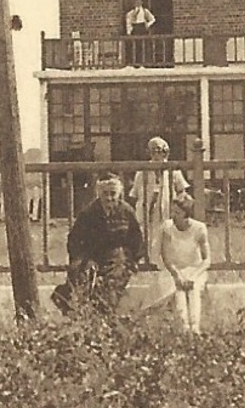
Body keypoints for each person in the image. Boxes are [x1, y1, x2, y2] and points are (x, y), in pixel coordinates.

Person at [53, 173, 144, 317]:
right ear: (99, 194)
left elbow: (136, 239)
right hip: (92, 255)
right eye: (105, 194)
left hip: (118, 256)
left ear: (118, 194)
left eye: (113, 194)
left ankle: (104, 317)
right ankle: (79, 314)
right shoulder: (88, 213)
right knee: (79, 279)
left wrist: (133, 260)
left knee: (110, 284)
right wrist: (85, 260)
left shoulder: (126, 211)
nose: (109, 198)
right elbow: (74, 241)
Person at [129, 136, 189, 264]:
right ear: (149, 152)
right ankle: (145, 260)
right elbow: (134, 194)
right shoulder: (142, 171)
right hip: (147, 207)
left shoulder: (173, 171)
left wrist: (179, 203)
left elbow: (182, 190)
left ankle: (166, 260)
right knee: (146, 233)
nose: (158, 154)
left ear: (166, 152)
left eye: (161, 150)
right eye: (153, 151)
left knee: (167, 232)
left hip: (166, 207)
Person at [158, 192, 211, 335]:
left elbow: (207, 260)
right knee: (179, 290)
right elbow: (166, 257)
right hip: (173, 270)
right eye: (173, 211)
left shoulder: (199, 228)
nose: (174, 215)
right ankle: (184, 328)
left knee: (193, 289)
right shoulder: (167, 228)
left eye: (178, 212)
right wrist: (177, 275)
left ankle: (195, 327)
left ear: (186, 213)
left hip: (194, 270)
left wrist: (193, 276)